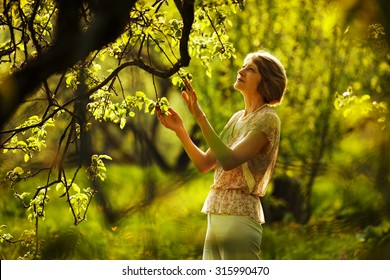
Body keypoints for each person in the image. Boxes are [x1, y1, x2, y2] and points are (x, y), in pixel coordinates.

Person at [157, 50, 287, 260]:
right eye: (243, 65)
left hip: (240, 218)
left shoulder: (268, 119)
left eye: (251, 69)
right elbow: (204, 163)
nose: (241, 70)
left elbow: (229, 160)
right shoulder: (237, 118)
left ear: (267, 81)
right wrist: (180, 129)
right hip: (215, 214)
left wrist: (199, 115)